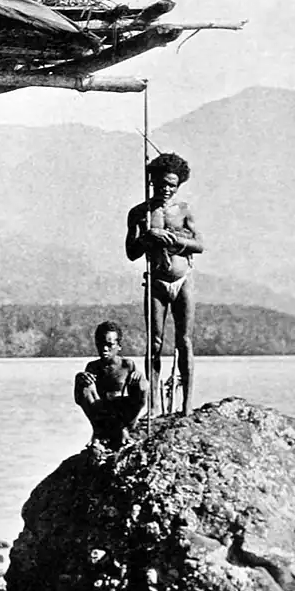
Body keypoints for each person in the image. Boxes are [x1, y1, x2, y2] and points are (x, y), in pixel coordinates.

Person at [125, 152, 204, 415]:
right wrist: (148, 236)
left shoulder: (183, 211)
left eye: (172, 185)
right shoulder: (140, 213)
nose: (167, 189)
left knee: (184, 341)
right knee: (155, 344)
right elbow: (131, 252)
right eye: (162, 184)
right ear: (152, 181)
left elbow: (200, 245)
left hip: (183, 282)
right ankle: (154, 406)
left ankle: (186, 407)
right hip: (156, 282)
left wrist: (174, 240)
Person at [73, 320, 146, 449]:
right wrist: (80, 378)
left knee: (141, 382)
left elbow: (139, 396)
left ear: (119, 346)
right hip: (101, 416)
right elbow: (84, 397)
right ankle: (98, 433)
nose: (104, 349)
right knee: (83, 383)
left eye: (109, 345)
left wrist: (140, 378)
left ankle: (124, 431)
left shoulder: (127, 365)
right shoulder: (92, 367)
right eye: (100, 344)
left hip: (123, 416)